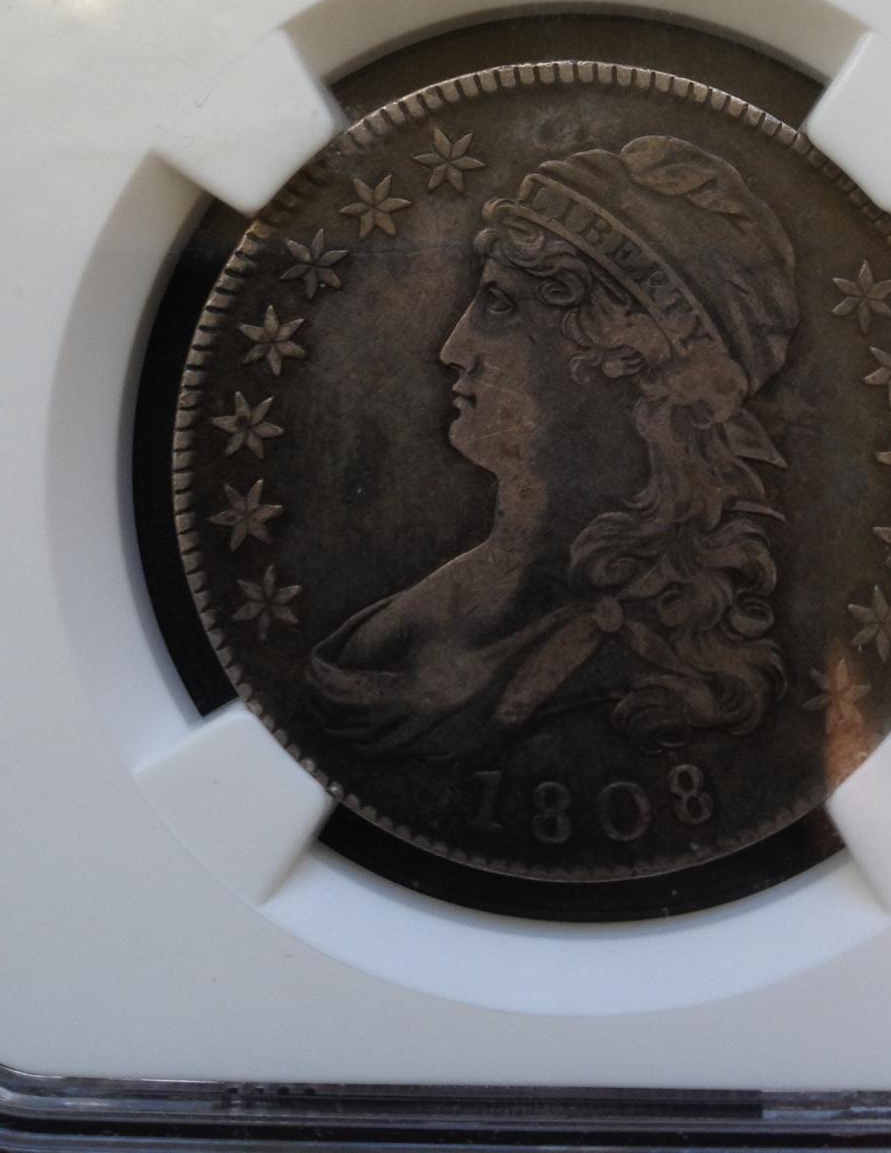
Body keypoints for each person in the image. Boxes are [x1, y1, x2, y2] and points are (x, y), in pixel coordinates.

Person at [306, 133, 801, 761]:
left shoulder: (655, 667)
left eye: (499, 305)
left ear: (623, 356)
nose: (453, 349)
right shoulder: (436, 608)